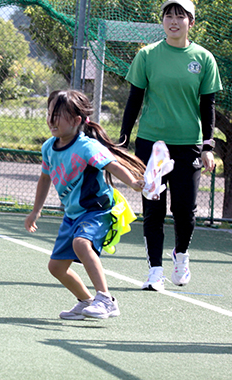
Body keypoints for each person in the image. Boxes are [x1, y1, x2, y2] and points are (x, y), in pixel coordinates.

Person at [120, 0, 222, 291]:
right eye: (168, 16)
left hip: (187, 144)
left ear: (191, 22)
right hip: (151, 144)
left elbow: (208, 106)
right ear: (162, 21)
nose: (174, 21)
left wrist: (207, 146)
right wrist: (124, 139)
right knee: (153, 207)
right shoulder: (147, 55)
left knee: (184, 209)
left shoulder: (203, 59)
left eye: (181, 16)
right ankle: (155, 270)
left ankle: (181, 254)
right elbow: (134, 98)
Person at [25, 90, 145, 320]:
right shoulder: (49, 147)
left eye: (58, 115)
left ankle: (106, 300)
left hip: (97, 210)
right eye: (50, 113)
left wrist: (133, 182)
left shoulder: (87, 147)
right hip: (72, 214)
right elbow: (44, 178)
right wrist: (35, 211)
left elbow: (113, 165)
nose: (51, 120)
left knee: (81, 243)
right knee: (56, 268)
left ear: (77, 120)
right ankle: (85, 301)